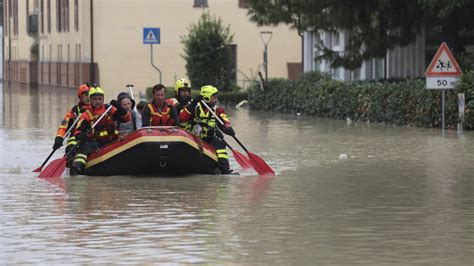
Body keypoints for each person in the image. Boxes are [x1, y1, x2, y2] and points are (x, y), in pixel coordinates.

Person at [70, 86, 131, 175]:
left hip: (111, 141)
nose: (98, 101)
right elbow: (78, 131)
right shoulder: (87, 114)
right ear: (90, 100)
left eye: (100, 99)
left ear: (103, 99)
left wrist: (119, 107)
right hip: (94, 142)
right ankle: (76, 168)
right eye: (95, 99)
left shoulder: (109, 109)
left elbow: (126, 118)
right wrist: (81, 136)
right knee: (84, 150)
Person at [179, 85, 236, 174]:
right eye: (214, 98)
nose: (216, 100)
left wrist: (228, 128)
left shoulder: (218, 110)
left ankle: (225, 170)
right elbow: (182, 118)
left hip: (209, 137)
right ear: (206, 98)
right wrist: (193, 103)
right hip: (194, 138)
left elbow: (225, 122)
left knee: (221, 144)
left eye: (216, 97)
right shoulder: (194, 107)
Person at [53, 83, 90, 167]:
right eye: (85, 95)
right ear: (80, 97)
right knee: (71, 149)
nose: (88, 97)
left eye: (89, 95)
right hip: (75, 138)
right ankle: (70, 162)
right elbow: (63, 126)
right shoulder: (74, 111)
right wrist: (59, 138)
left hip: (90, 137)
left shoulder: (97, 109)